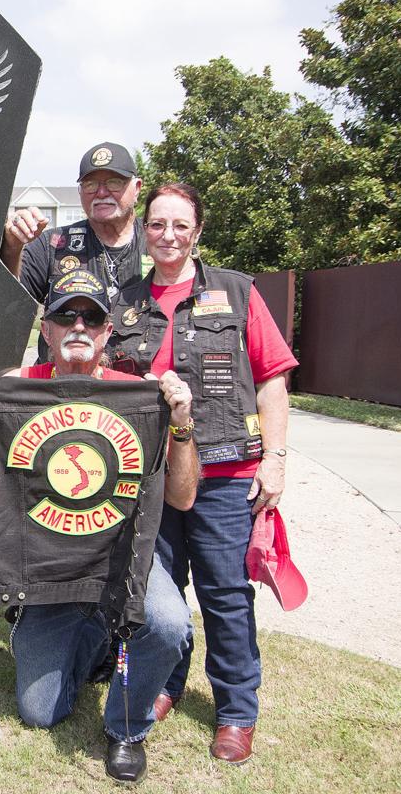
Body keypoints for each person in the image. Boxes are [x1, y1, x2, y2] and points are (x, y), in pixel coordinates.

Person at [0, 273, 199, 784]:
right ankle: (98, 636)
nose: (78, 326)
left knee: (168, 622)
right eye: (66, 316)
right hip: (46, 570)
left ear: (108, 332)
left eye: (91, 317)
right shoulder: (15, 388)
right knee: (40, 712)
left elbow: (182, 496)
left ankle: (126, 729)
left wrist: (180, 420)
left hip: (120, 558)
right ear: (46, 329)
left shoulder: (139, 395)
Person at [107, 182, 298, 765]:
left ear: (197, 232)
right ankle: (166, 684)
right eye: (157, 224)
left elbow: (271, 378)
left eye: (179, 225)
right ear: (143, 230)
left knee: (225, 594)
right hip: (149, 476)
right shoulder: (124, 300)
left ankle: (237, 711)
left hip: (225, 471)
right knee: (159, 594)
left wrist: (276, 457)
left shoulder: (237, 293)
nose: (167, 235)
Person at [0, 142, 151, 361]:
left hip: (135, 386)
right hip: (60, 385)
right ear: (80, 191)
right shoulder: (53, 244)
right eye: (90, 184)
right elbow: (6, 302)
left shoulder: (158, 242)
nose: (101, 192)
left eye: (114, 182)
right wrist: (12, 246)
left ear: (136, 188)